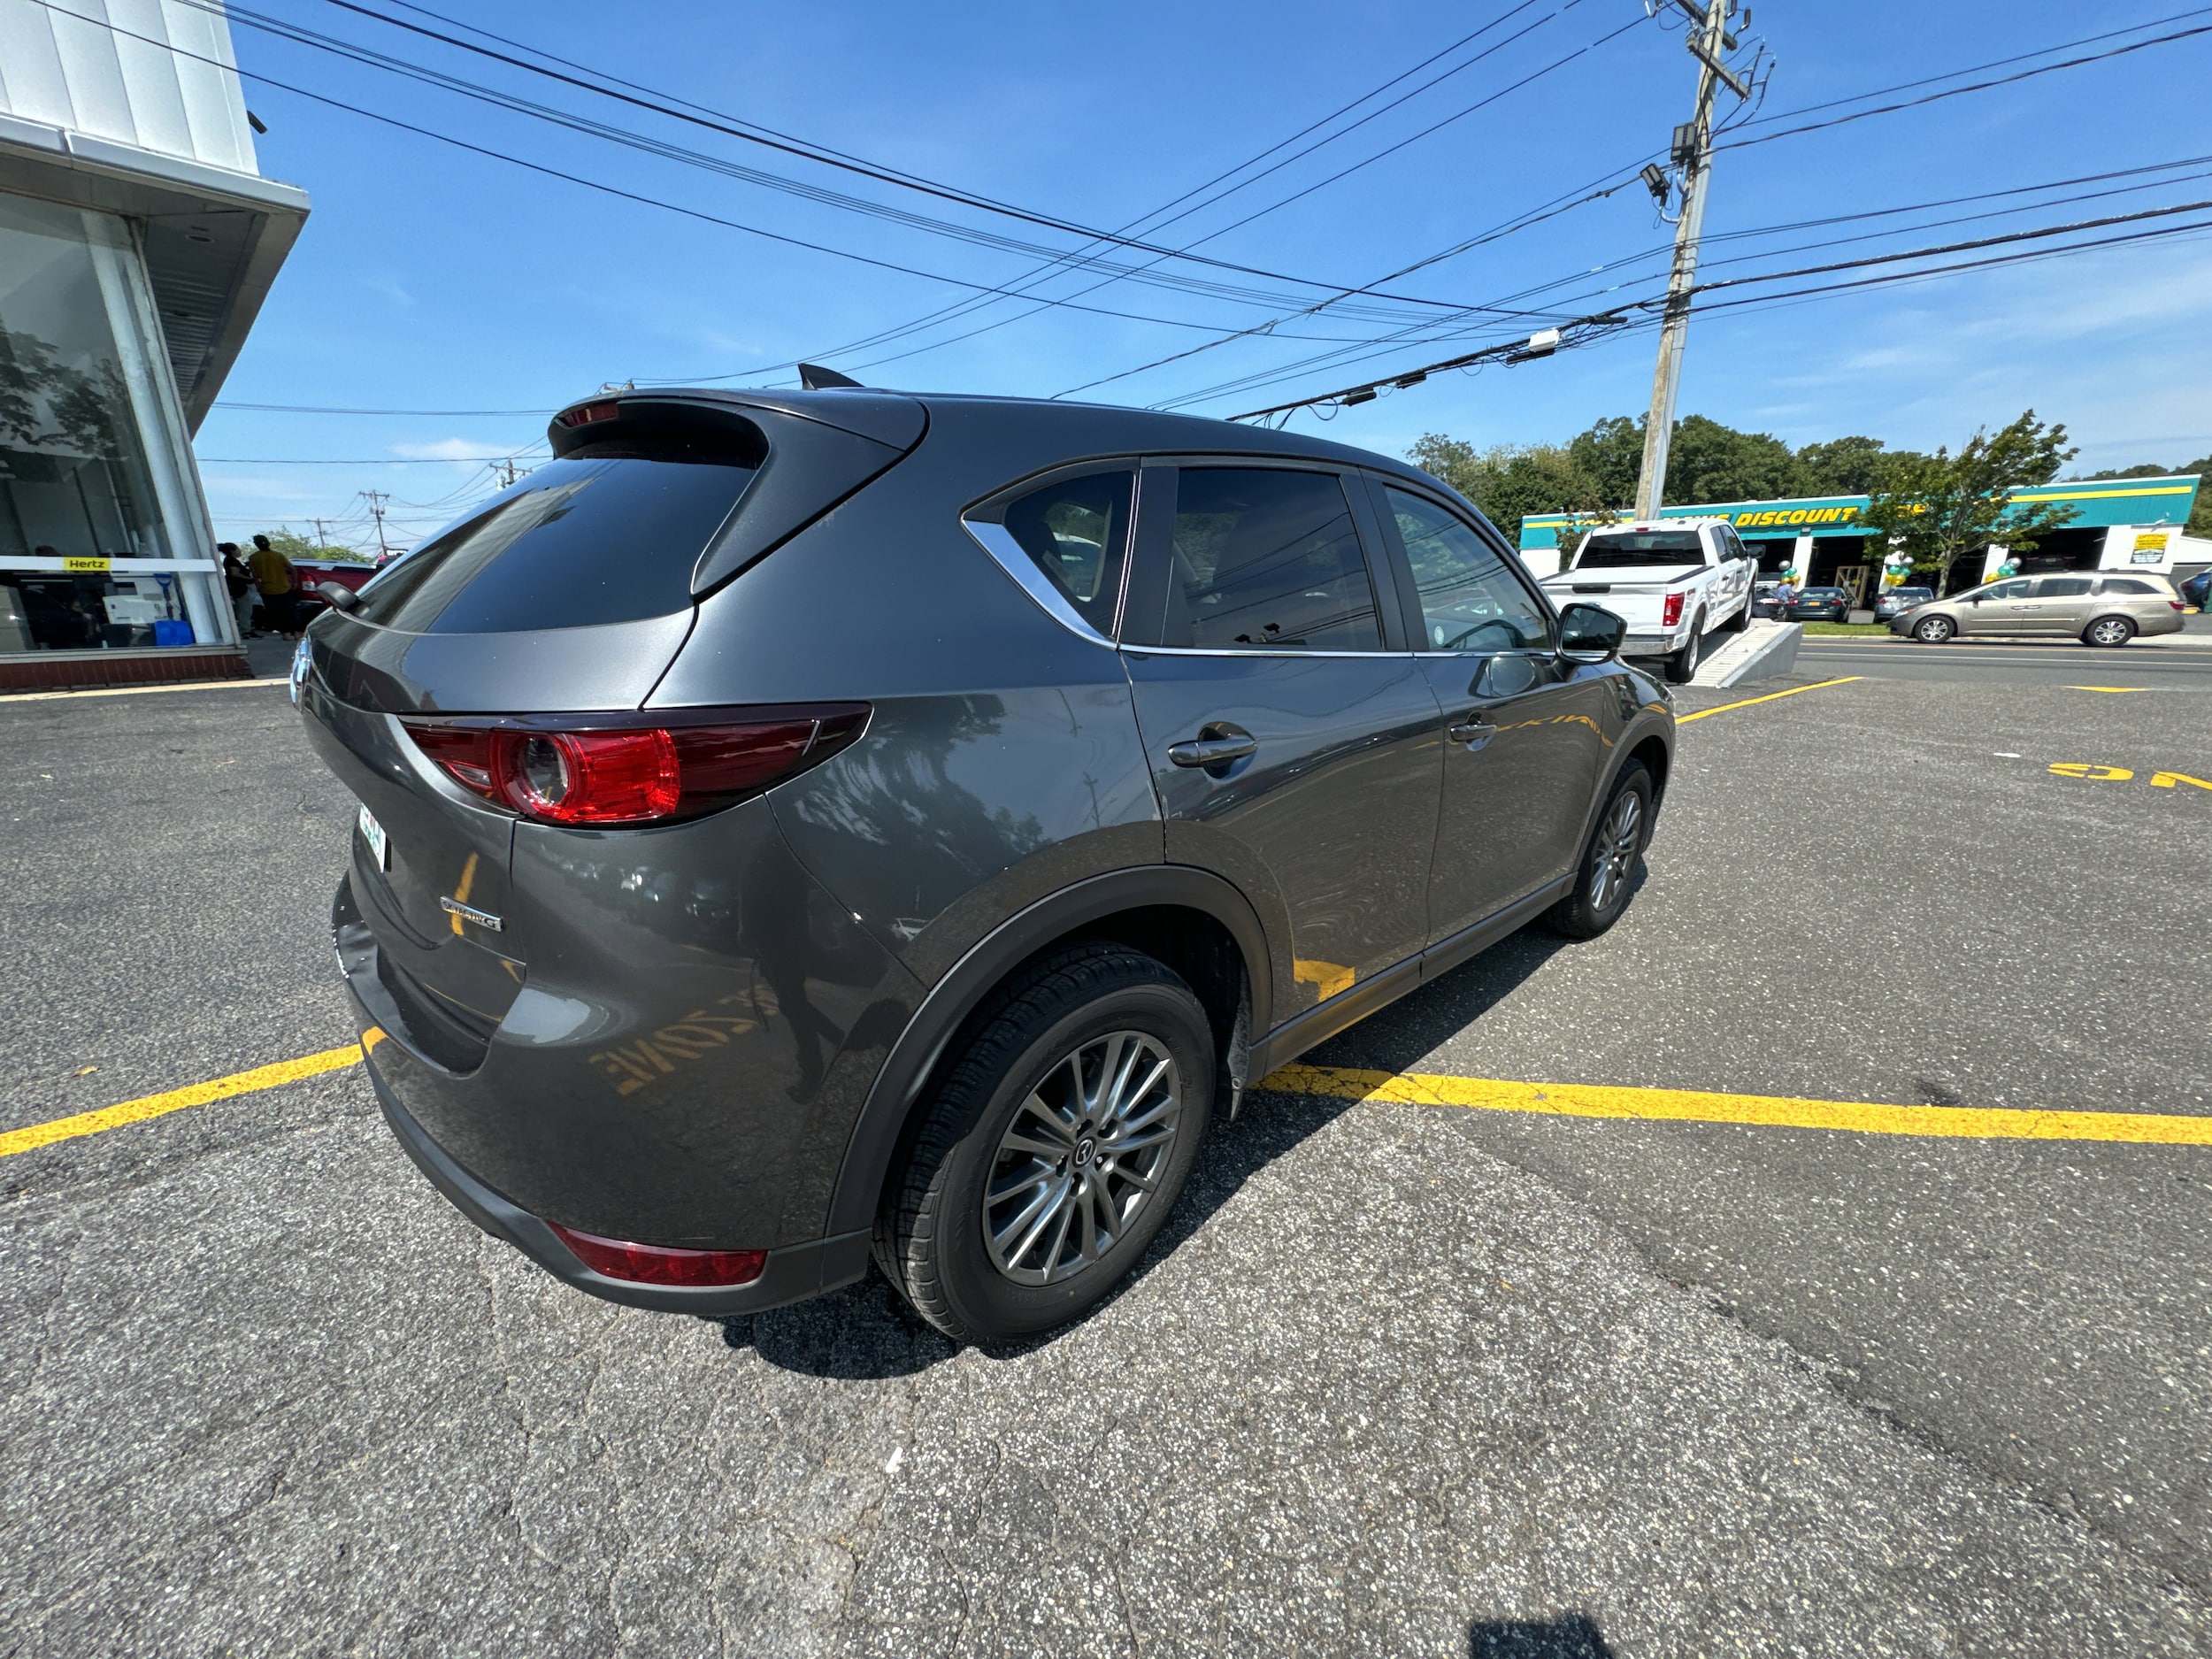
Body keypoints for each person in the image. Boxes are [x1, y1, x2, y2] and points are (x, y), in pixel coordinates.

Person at [248, 533, 299, 639]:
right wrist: (294, 582)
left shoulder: (253, 558)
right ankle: (297, 633)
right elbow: (292, 569)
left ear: (256, 545)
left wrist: (259, 588)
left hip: (267, 590)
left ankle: (286, 634)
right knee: (291, 611)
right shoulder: (278, 555)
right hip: (284, 588)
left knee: (277, 614)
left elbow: (255, 576)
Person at [219, 542, 257, 637]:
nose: (239, 551)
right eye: (237, 549)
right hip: (239, 588)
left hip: (238, 588)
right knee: (244, 609)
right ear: (232, 551)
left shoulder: (230, 560)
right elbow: (235, 573)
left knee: (244, 608)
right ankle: (246, 630)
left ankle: (245, 628)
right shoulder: (231, 561)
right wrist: (249, 579)